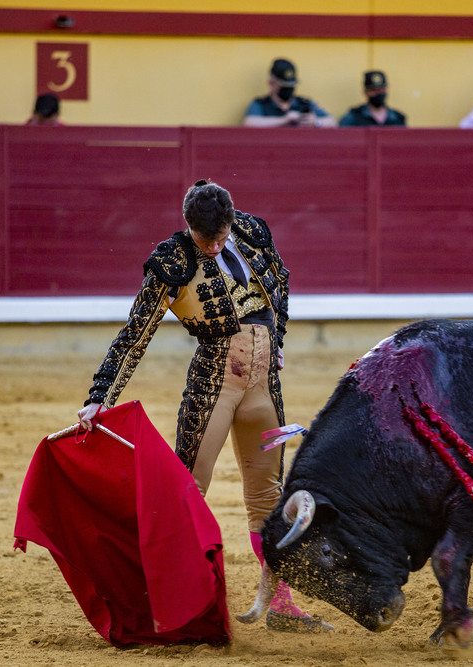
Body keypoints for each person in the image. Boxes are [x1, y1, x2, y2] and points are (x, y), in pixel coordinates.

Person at [76, 179, 332, 634]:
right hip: (213, 385)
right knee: (187, 491)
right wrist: (100, 397)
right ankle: (168, 603)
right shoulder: (170, 263)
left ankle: (282, 604)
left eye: (219, 237)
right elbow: (136, 333)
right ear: (187, 226)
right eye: (203, 239)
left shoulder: (252, 231)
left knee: (268, 495)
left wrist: (278, 340)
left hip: (262, 385)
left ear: (232, 222)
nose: (213, 247)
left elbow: (282, 280)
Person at [243, 58, 336, 128]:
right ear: (271, 84)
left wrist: (315, 122)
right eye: (284, 85)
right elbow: (250, 123)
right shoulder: (261, 104)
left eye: (291, 86)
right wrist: (284, 120)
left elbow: (332, 121)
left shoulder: (304, 103)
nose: (288, 89)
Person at [338, 70, 407, 127]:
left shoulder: (397, 117)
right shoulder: (353, 117)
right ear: (365, 92)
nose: (379, 93)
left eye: (382, 89)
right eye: (374, 90)